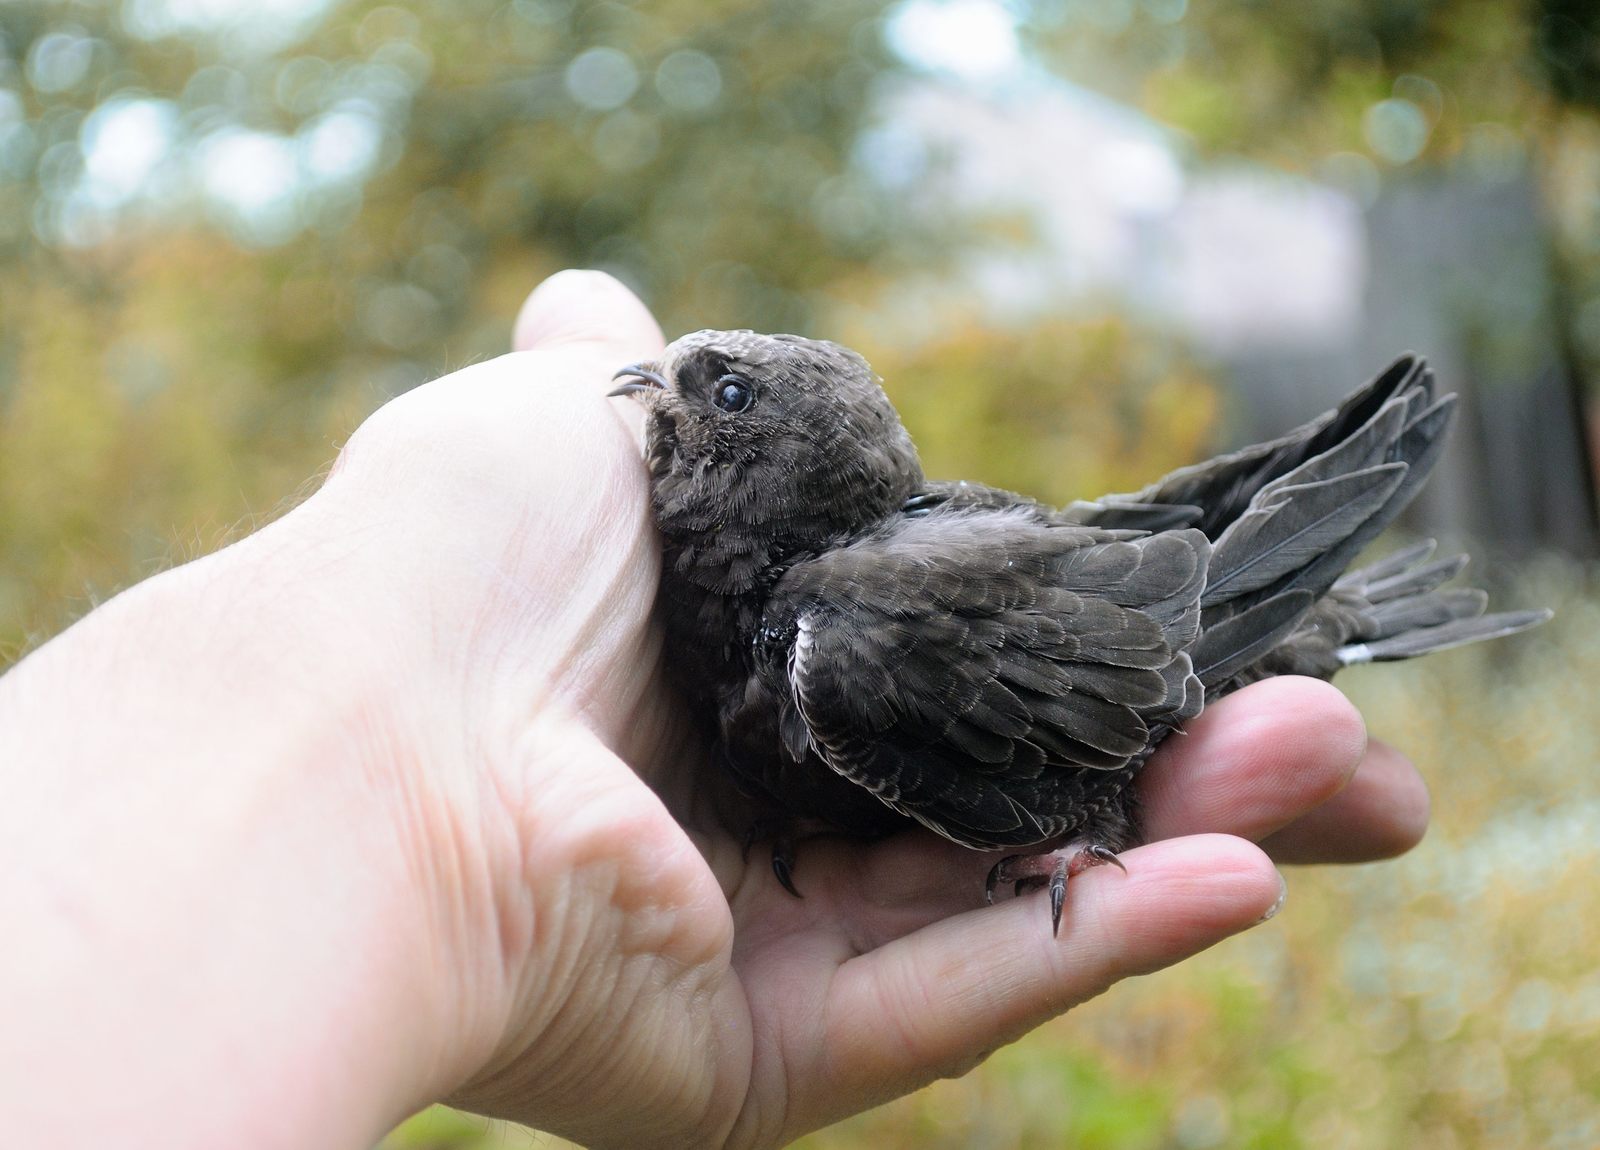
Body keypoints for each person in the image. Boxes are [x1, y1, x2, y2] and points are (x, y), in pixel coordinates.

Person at [0, 270, 1430, 1149]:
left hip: (1165, 628)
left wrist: (1056, 817)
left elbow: (1124, 638)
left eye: (715, 388)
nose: (655, 387)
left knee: (1241, 718)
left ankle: (1331, 629)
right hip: (1058, 597)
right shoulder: (746, 593)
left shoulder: (841, 631)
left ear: (771, 459)